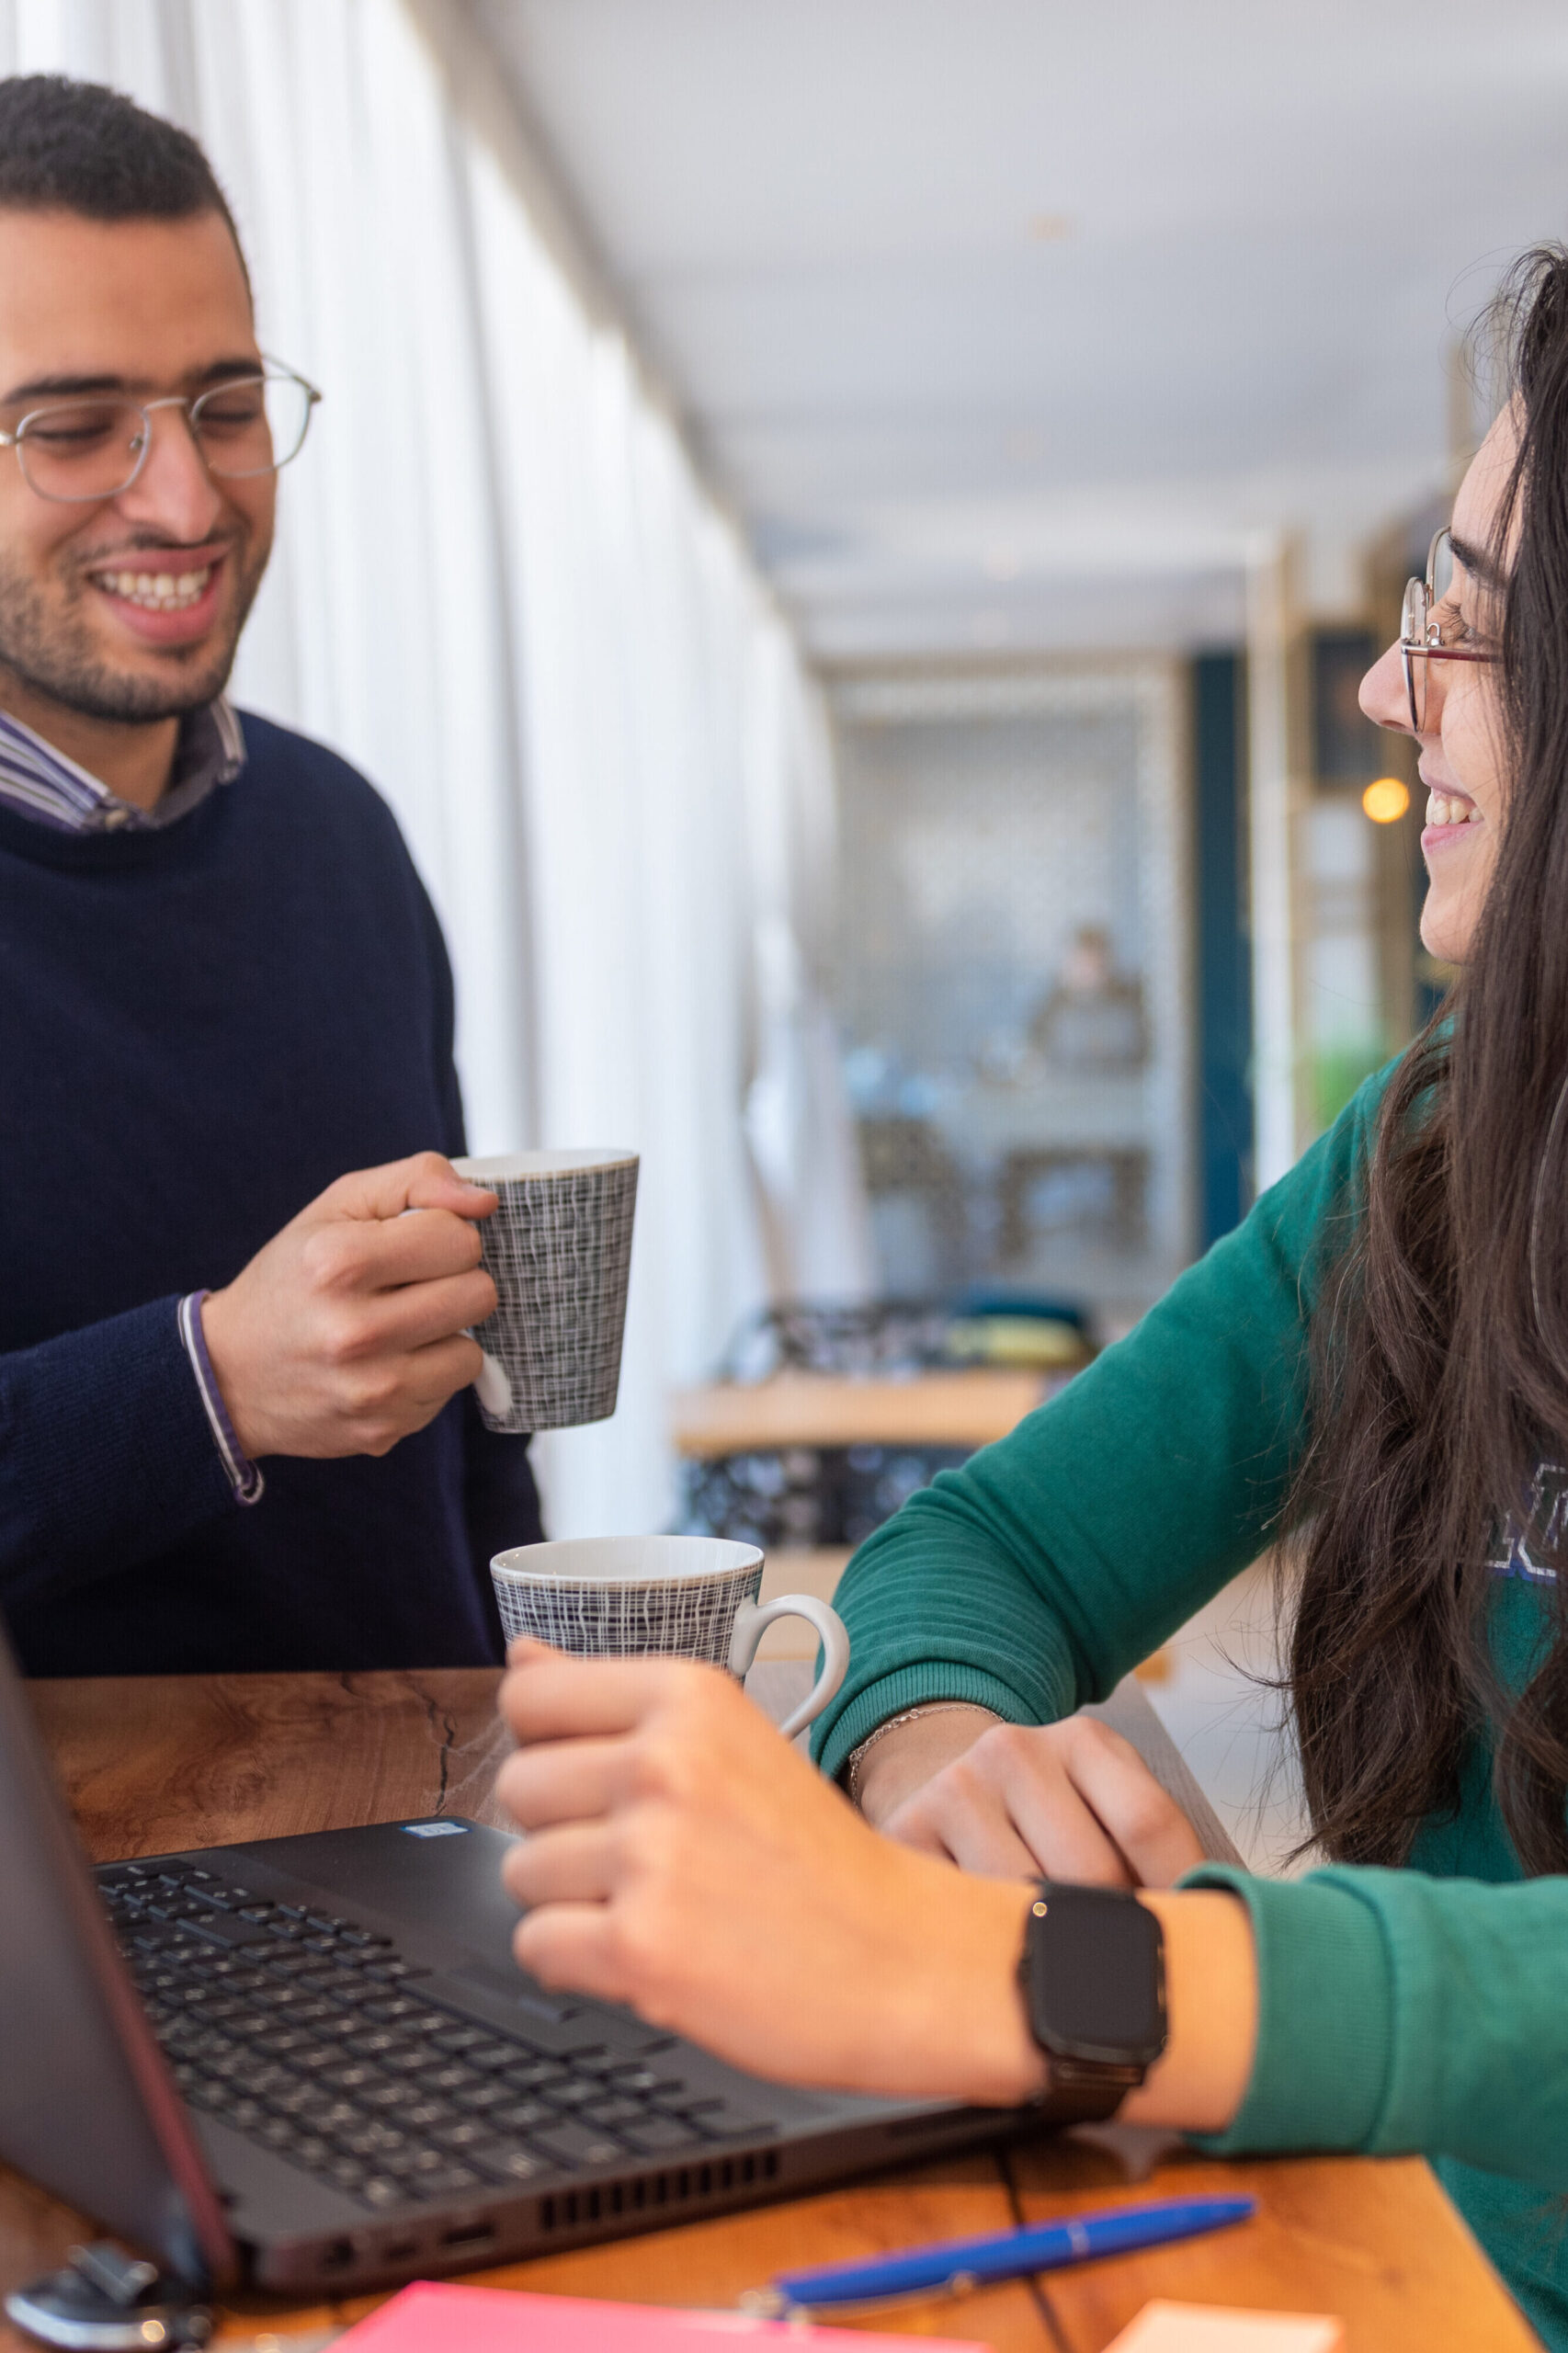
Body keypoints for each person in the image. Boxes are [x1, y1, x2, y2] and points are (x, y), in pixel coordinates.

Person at [492, 248, 1568, 2353]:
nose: (1390, 687)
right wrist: (936, 1759)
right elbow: (980, 1545)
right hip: (1392, 2267)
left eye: (1466, 625)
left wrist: (1036, 1977)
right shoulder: (1441, 1158)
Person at [0, 75, 541, 1677]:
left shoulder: (339, 835)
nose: (182, 498)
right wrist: (208, 1385)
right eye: (75, 429)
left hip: (436, 1845)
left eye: (226, 409)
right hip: (67, 1907)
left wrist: (555, 1715)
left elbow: (469, 1422)